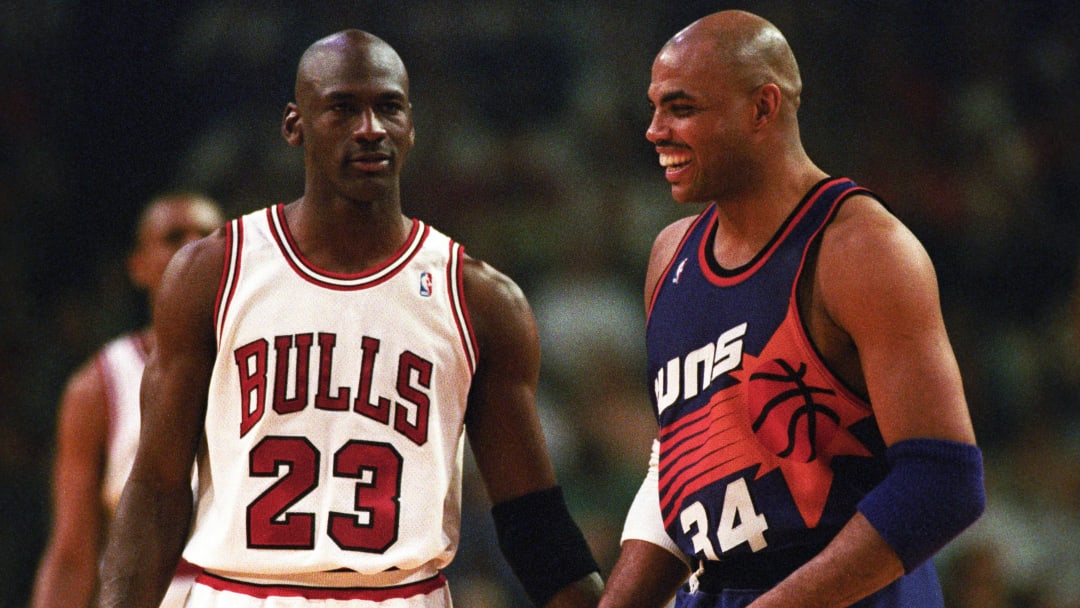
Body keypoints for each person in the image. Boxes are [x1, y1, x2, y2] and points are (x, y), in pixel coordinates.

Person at [98, 29, 603, 608]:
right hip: (238, 592)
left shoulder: (479, 299)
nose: (370, 128)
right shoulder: (212, 272)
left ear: (411, 125)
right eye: (342, 107)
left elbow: (532, 519)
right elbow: (158, 489)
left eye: (388, 107)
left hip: (398, 592)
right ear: (295, 126)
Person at [598, 10, 985, 608]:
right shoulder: (670, 254)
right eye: (654, 107)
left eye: (680, 108)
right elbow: (678, 468)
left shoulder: (861, 248)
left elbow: (943, 483)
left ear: (762, 108)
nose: (654, 130)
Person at [31, 192, 226, 608]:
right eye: (173, 236)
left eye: (207, 236)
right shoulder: (97, 385)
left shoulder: (268, 360)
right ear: (137, 267)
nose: (192, 245)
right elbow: (72, 554)